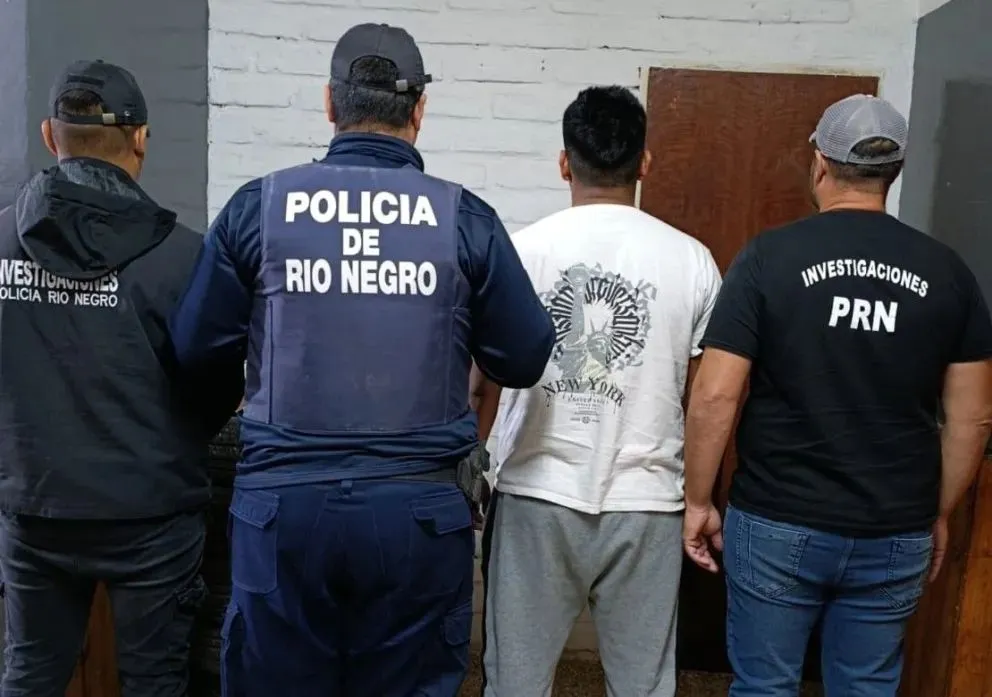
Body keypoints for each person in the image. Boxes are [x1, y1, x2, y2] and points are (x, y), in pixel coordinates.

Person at [168, 23, 555, 697]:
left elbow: (195, 352)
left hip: (284, 509)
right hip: (418, 515)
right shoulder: (465, 219)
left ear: (329, 103)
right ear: (420, 110)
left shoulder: (258, 208)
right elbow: (524, 355)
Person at [682, 94, 992, 697]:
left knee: (765, 685)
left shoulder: (769, 258)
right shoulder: (949, 272)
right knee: (867, 686)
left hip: (777, 518)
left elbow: (715, 396)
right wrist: (937, 512)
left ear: (819, 163)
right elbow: (974, 417)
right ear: (893, 172)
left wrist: (698, 500)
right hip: (896, 524)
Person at [0, 60, 243, 697]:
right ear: (140, 138)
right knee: (155, 683)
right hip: (151, 512)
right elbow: (219, 381)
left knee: (28, 675)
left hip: (34, 505)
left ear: (52, 137)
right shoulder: (187, 255)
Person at [476, 85, 723, 697]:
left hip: (536, 491)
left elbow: (482, 376)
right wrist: (700, 497)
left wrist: (475, 467)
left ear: (565, 162)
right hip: (648, 501)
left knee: (516, 683)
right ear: (644, 163)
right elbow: (705, 398)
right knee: (642, 685)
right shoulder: (693, 261)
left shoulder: (522, 252)